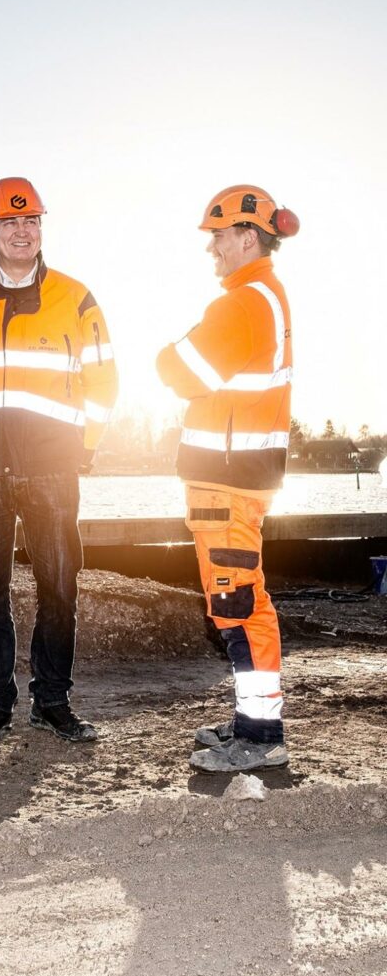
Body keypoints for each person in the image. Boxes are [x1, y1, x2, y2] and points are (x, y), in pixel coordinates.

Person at [0, 177, 119, 743]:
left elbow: (104, 377)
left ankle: (52, 701)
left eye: (30, 220)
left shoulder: (75, 297)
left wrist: (85, 444)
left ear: (41, 227)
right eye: (9, 222)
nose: (21, 231)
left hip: (54, 466)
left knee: (59, 583)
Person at [156, 184, 300, 772]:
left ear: (246, 237)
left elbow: (178, 368)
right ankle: (253, 724)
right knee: (238, 601)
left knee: (238, 604)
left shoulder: (244, 303)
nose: (211, 248)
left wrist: (168, 354)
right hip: (236, 483)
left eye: (217, 236)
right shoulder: (263, 297)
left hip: (228, 486)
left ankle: (260, 740)